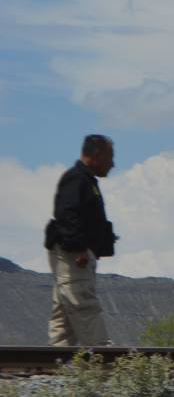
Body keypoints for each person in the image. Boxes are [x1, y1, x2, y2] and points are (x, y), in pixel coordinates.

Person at [43, 134, 118, 347]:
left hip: (74, 253)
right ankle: (102, 364)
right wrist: (78, 247)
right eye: (110, 157)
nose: (113, 164)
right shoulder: (77, 178)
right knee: (82, 302)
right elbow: (66, 213)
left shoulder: (86, 180)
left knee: (65, 310)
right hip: (72, 255)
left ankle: (55, 365)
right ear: (97, 155)